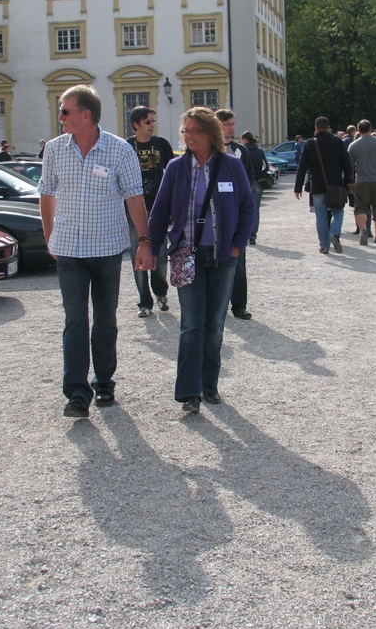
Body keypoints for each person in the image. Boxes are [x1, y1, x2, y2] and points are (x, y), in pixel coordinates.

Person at [38, 85, 152, 419]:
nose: (60, 117)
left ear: (86, 115)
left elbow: (134, 196)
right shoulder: (55, 149)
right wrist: (49, 236)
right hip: (69, 250)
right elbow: (46, 193)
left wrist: (144, 241)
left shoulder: (119, 150)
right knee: (75, 319)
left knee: (104, 319)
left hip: (106, 248)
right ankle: (76, 393)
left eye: (65, 111)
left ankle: (104, 381)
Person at [148, 107, 254, 414]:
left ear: (210, 133)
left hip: (223, 258)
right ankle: (189, 392)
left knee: (214, 325)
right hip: (187, 255)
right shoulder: (176, 168)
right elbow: (159, 211)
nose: (189, 136)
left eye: (195, 130)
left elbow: (248, 207)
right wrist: (152, 250)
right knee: (191, 325)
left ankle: (209, 386)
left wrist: (237, 246)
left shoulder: (231, 166)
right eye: (186, 131)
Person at [125, 106, 174, 317]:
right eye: (147, 122)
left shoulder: (161, 144)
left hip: (158, 209)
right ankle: (144, 302)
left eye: (153, 120)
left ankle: (161, 291)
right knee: (138, 256)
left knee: (160, 256)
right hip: (133, 211)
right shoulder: (127, 146)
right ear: (136, 125)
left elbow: (172, 174)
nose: (152, 125)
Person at [294, 116, 354, 254]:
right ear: (328, 127)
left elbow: (302, 167)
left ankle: (324, 245)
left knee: (321, 215)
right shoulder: (338, 142)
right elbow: (347, 164)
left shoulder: (310, 144)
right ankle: (334, 233)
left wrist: (298, 187)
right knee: (338, 211)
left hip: (318, 185)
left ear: (316, 128)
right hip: (336, 184)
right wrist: (349, 181)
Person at [216, 109, 255, 320]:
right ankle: (216, 304)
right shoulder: (209, 148)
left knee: (238, 261)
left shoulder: (240, 151)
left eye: (233, 124)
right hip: (214, 213)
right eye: (227, 124)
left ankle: (239, 305)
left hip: (235, 213)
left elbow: (249, 180)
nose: (231, 128)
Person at [239, 131, 268, 245]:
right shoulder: (260, 151)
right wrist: (260, 174)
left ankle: (244, 234)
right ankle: (253, 235)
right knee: (255, 209)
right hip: (258, 183)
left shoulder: (242, 151)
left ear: (245, 139)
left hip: (245, 182)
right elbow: (266, 166)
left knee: (243, 209)